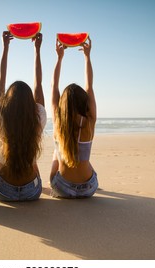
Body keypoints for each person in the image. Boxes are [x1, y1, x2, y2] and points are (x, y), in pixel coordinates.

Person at [0, 31, 46, 202]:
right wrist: (37, 50)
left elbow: (0, 81)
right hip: (32, 192)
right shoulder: (38, 117)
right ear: (31, 103)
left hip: (3, 191)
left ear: (6, 100)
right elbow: (38, 85)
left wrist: (5, 48)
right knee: (31, 155)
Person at [50, 37, 98, 198]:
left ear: (62, 104)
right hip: (89, 188)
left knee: (56, 153)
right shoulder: (90, 121)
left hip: (62, 188)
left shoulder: (58, 121)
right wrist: (87, 56)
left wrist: (59, 58)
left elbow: (54, 86)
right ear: (84, 101)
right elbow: (89, 86)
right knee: (84, 159)